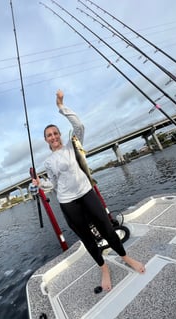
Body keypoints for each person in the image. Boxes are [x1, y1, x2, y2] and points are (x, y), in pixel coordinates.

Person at [33, 89, 145, 291]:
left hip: (86, 192)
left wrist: (61, 106)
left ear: (60, 135)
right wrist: (40, 184)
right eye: (49, 135)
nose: (54, 137)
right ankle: (103, 268)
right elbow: (54, 184)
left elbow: (79, 125)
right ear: (46, 140)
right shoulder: (48, 162)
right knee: (86, 237)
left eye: (56, 133)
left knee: (106, 228)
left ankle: (125, 256)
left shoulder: (73, 145)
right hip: (68, 202)